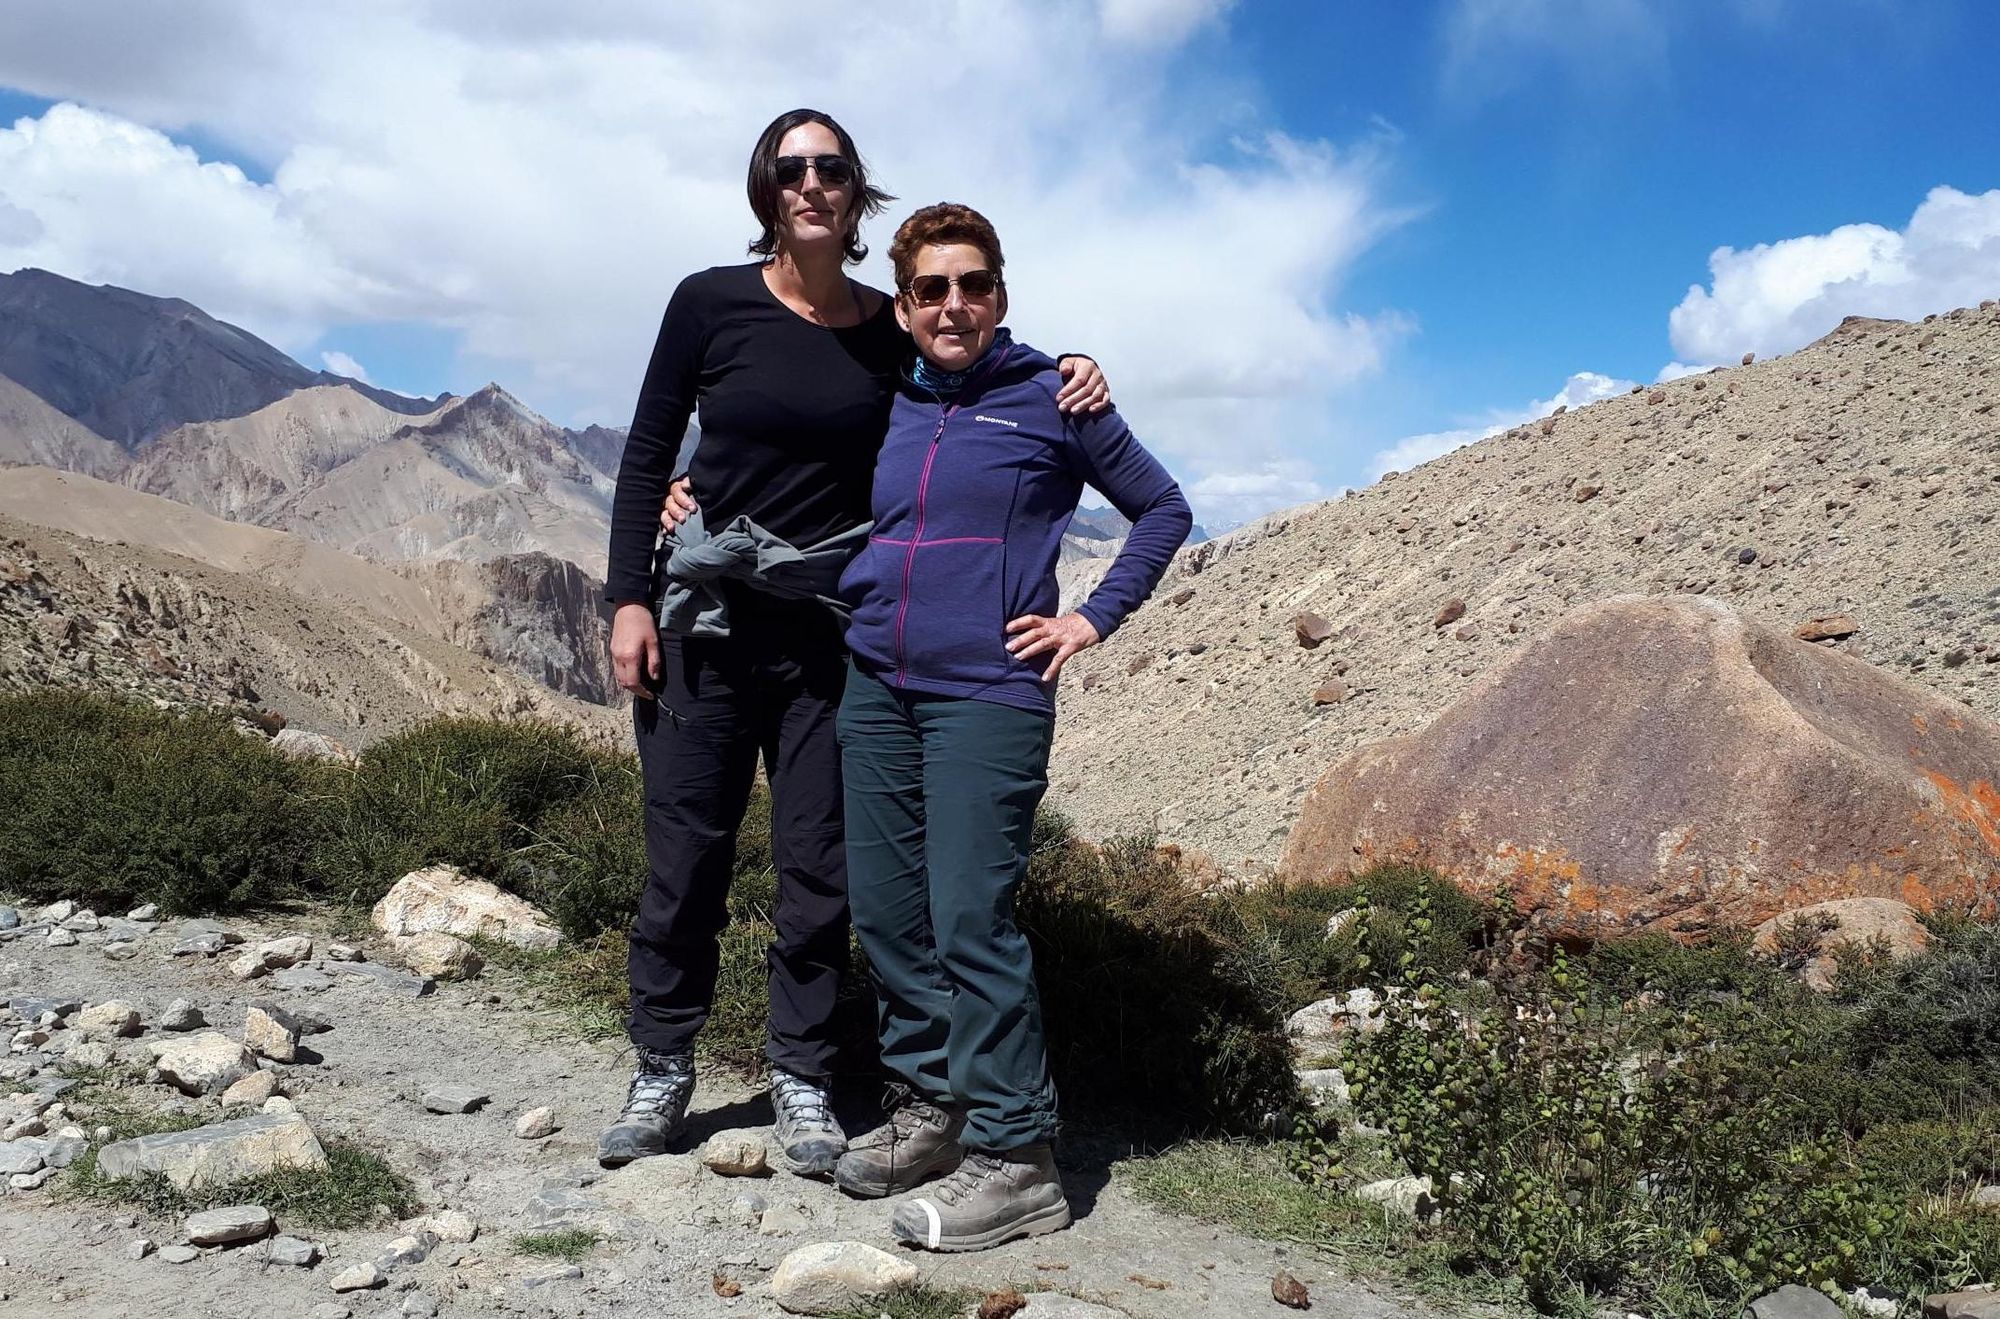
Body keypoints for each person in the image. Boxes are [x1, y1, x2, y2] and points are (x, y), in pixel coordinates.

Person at [599, 110, 1109, 1174]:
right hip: (706, 625)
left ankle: (803, 1073)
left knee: (819, 868)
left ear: (854, 190)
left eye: (830, 168)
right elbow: (650, 452)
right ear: (764, 191)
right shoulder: (708, 303)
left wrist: (1075, 372)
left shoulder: (892, 323)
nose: (810, 184)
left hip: (834, 636)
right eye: (789, 170)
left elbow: (971, 369)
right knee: (685, 850)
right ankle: (660, 1062)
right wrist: (628, 599)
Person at [830, 203, 1191, 1251]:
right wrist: (681, 487)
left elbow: (1161, 508)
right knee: (892, 915)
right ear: (900, 306)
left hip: (988, 693)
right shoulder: (887, 396)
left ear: (999, 294)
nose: (952, 304)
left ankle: (1019, 1154)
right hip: (874, 682)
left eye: (972, 283)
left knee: (968, 919)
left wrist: (1088, 616)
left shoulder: (1051, 396)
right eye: (931, 288)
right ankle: (932, 1108)